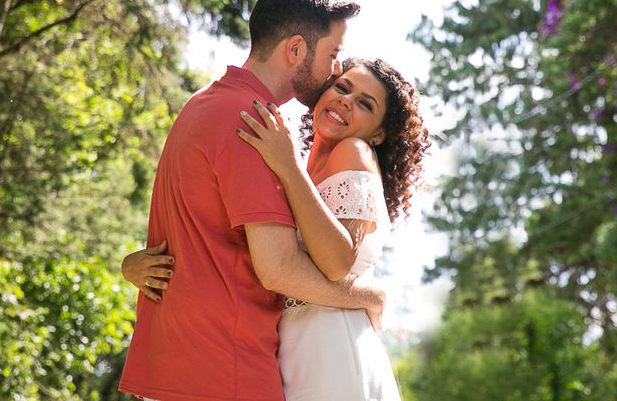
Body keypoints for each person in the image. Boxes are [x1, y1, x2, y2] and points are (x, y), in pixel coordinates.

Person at [117, 0, 387, 401]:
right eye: (333, 54)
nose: (337, 68)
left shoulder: (204, 103)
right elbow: (277, 267)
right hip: (224, 370)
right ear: (295, 49)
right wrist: (367, 296)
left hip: (180, 364)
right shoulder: (252, 120)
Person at [125, 57, 432, 401]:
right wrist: (133, 265)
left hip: (333, 346)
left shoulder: (352, 150)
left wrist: (288, 167)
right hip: (285, 350)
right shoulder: (291, 159)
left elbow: (336, 262)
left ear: (378, 132)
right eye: (342, 87)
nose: (346, 100)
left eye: (364, 103)